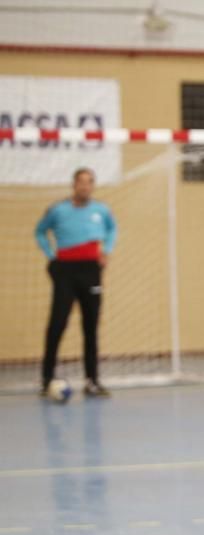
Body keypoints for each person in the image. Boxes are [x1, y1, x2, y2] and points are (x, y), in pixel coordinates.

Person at [35, 167, 117, 397]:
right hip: (65, 271)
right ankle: (47, 378)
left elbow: (112, 229)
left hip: (91, 271)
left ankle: (92, 381)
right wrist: (51, 256)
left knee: (91, 325)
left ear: (93, 186)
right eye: (81, 182)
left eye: (89, 182)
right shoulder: (58, 210)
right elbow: (40, 232)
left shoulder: (101, 210)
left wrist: (107, 251)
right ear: (74, 185)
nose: (85, 186)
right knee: (58, 323)